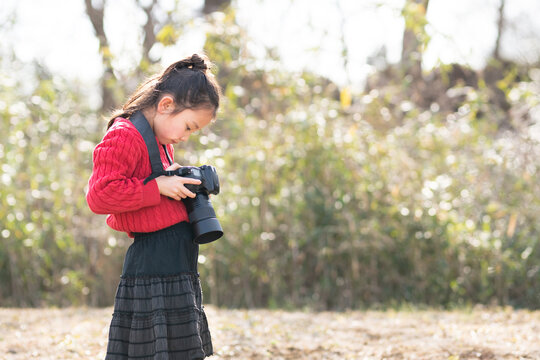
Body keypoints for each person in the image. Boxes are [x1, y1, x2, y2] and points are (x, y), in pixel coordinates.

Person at [86, 53, 221, 360]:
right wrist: (158, 186)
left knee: (178, 349)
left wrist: (178, 176)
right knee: (150, 350)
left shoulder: (161, 140)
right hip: (152, 262)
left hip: (176, 258)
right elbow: (99, 195)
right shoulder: (124, 136)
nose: (185, 137)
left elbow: (151, 180)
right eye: (187, 127)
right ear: (166, 105)